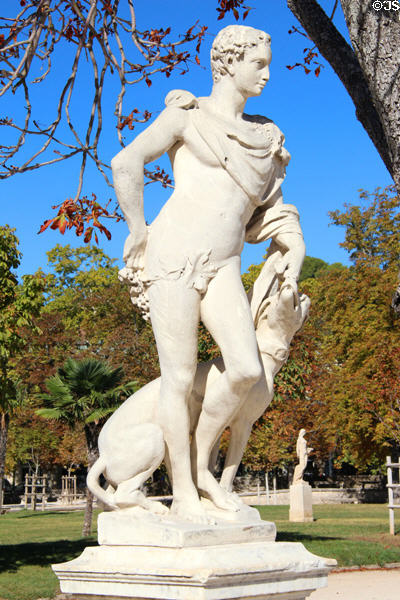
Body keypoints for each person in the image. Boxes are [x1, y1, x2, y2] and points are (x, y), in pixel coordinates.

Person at [111, 25, 305, 523]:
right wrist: (137, 228)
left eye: (266, 63)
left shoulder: (266, 137)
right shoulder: (185, 117)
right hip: (173, 254)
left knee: (244, 367)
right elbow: (127, 162)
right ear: (228, 63)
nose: (266, 72)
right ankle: (185, 492)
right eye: (257, 63)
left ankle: (199, 468)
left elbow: (266, 213)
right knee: (177, 378)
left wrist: (294, 242)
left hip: (224, 263)